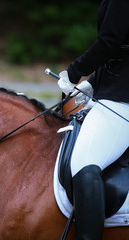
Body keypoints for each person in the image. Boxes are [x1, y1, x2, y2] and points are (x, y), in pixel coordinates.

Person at [57, 0, 129, 239]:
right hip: (117, 87)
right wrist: (93, 83)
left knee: (85, 163)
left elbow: (110, 39)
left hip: (123, 100)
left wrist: (75, 72)